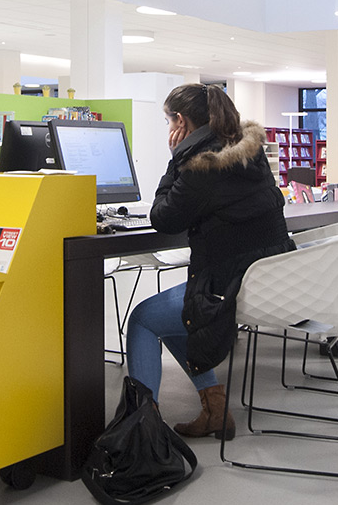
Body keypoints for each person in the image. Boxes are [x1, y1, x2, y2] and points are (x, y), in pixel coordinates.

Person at [123, 83, 293, 439]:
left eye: (168, 121)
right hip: (269, 280)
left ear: (180, 122)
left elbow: (163, 218)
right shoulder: (250, 154)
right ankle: (214, 410)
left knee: (143, 319)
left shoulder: (201, 166)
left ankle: (142, 432)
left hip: (230, 289)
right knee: (178, 315)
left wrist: (175, 159)